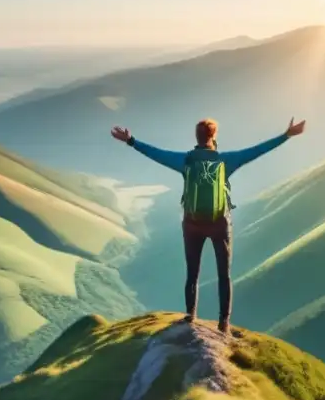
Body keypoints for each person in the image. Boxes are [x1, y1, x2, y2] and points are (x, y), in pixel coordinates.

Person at [111, 117, 306, 335]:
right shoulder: (226, 160)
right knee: (224, 274)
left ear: (197, 137)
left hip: (192, 224)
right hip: (219, 224)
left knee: (192, 273)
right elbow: (257, 151)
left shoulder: (186, 160)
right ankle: (224, 322)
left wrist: (131, 141)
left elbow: (157, 154)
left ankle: (191, 315)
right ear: (214, 137)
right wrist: (286, 135)